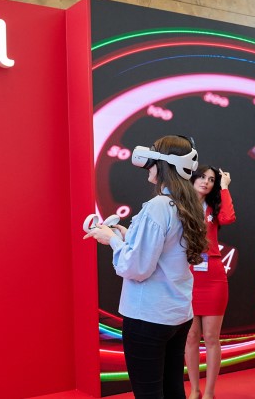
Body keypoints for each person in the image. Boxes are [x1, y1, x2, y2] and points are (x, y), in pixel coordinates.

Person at [85, 135, 208, 399]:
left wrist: (112, 240)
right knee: (173, 389)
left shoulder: (158, 207)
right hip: (177, 314)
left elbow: (137, 268)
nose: (147, 165)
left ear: (162, 164)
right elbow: (166, 250)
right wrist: (128, 235)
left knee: (149, 393)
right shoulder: (188, 204)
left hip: (148, 316)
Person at [184, 166, 235, 399]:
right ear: (193, 178)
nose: (206, 182)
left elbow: (228, 218)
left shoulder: (214, 207)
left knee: (212, 338)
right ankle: (194, 390)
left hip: (213, 275)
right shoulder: (180, 205)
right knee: (191, 337)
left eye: (212, 179)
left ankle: (209, 392)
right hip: (187, 275)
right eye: (202, 177)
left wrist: (224, 187)